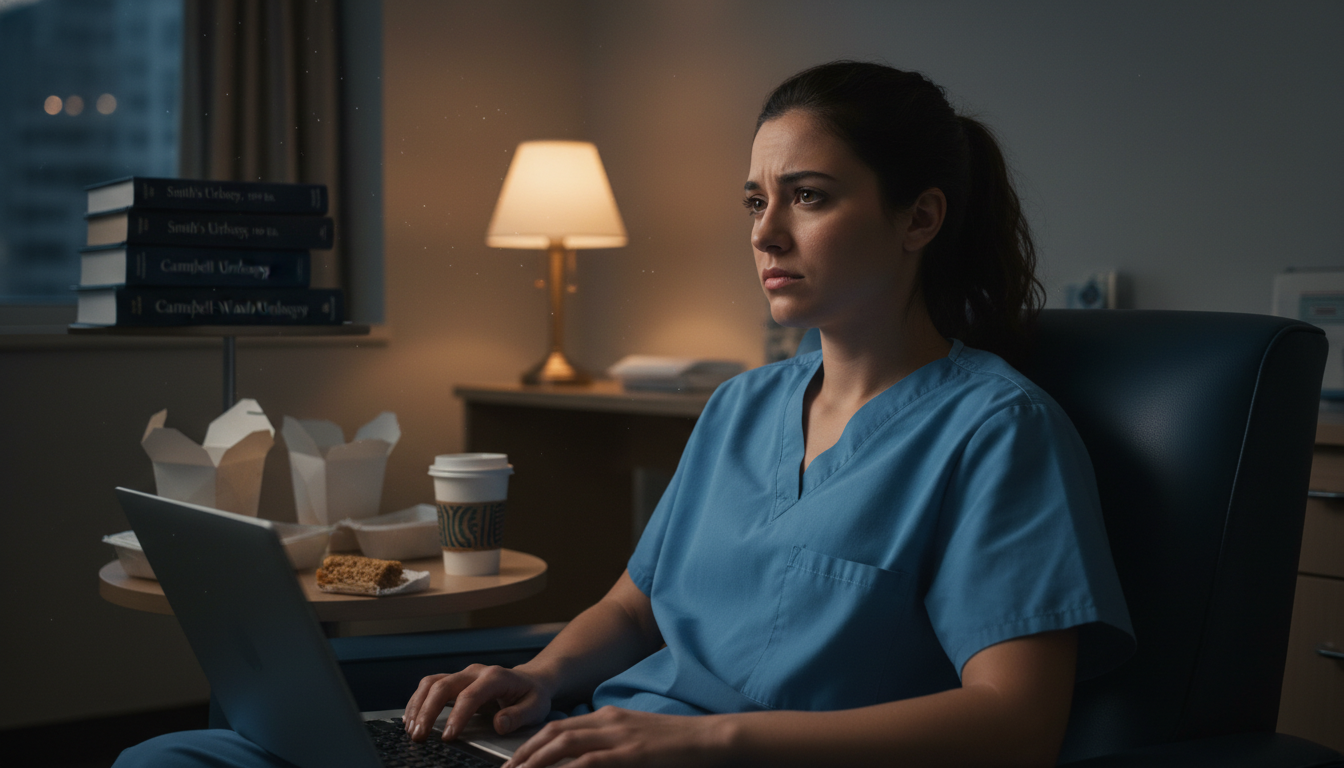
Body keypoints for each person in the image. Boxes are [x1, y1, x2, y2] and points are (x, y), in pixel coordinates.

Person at [115, 60, 1133, 768]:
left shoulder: (996, 433)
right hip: (596, 742)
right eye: (754, 201)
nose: (766, 231)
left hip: (720, 764)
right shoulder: (744, 405)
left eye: (809, 196)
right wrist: (540, 678)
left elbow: (1016, 725)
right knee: (172, 756)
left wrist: (709, 744)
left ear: (920, 217)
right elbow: (638, 605)